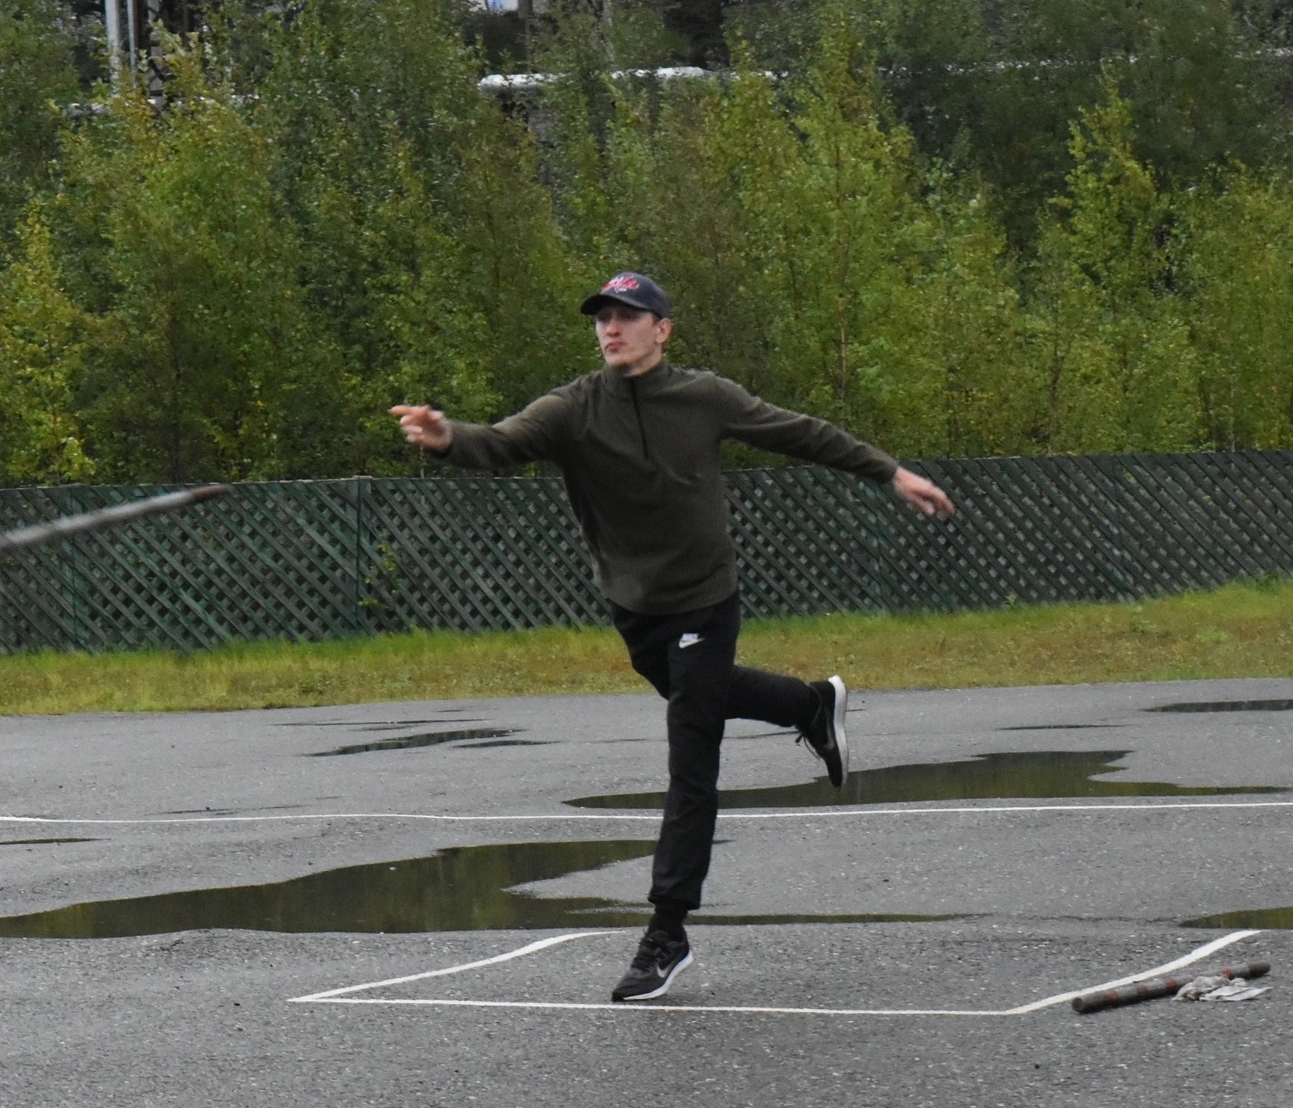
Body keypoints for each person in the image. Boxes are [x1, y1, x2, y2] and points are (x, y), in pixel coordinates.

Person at [390, 271, 953, 1002]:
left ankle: (667, 930)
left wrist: (891, 472)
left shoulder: (704, 397)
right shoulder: (573, 408)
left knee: (691, 748)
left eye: (628, 315)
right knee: (699, 692)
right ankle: (811, 706)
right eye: (602, 318)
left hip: (705, 600)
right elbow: (501, 443)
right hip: (637, 608)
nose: (611, 327)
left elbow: (802, 433)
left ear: (663, 329)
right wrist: (446, 438)